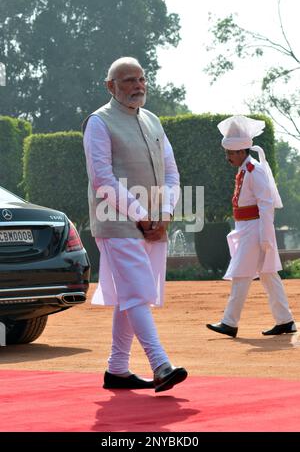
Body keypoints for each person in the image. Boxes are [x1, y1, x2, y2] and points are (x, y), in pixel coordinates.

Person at [82, 57, 187, 392]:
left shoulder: (154, 121)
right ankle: (160, 364)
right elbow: (102, 180)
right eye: (128, 80)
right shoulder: (99, 122)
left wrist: (165, 215)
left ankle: (117, 370)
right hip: (117, 222)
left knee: (132, 294)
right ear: (110, 86)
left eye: (142, 79)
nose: (138, 85)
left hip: (154, 222)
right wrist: (143, 216)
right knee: (139, 292)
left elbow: (171, 173)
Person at [206, 115, 297, 338]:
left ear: (240, 151)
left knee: (241, 275)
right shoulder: (246, 169)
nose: (227, 157)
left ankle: (230, 322)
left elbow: (266, 205)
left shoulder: (254, 170)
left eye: (229, 153)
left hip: (254, 230)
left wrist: (266, 236)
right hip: (248, 228)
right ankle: (285, 320)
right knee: (268, 275)